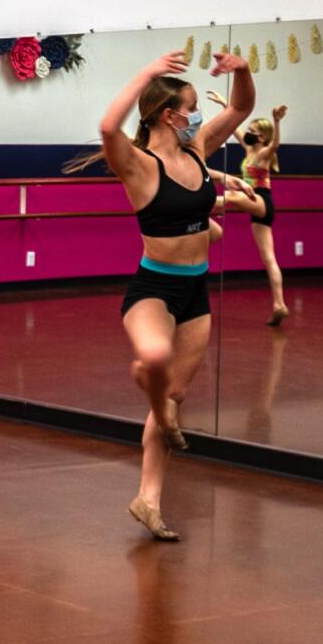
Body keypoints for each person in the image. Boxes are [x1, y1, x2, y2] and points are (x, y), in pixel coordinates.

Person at [70, 44, 258, 540]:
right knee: (153, 359)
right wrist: (147, 71)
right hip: (153, 287)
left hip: (195, 291)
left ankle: (148, 499)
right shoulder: (138, 165)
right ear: (170, 115)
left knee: (172, 393)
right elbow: (109, 128)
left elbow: (241, 108)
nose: (200, 116)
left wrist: (243, 71)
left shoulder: (197, 153)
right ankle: (159, 408)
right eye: (193, 107)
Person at [229, 101, 290, 326]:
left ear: (262, 138)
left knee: (232, 197)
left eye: (253, 132)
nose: (248, 135)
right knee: (268, 259)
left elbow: (276, 144)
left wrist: (276, 121)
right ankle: (279, 304)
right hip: (256, 205)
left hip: (261, 199)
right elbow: (235, 128)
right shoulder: (248, 150)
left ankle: (204, 202)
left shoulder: (264, 153)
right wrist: (227, 106)